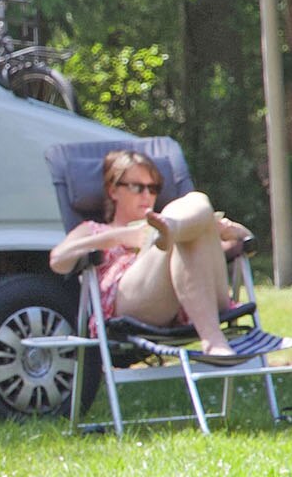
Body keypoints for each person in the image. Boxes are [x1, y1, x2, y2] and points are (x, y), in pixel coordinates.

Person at [48, 147, 252, 357]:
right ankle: (213, 340)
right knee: (182, 224)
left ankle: (174, 230)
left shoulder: (170, 217)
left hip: (200, 295)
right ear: (113, 190)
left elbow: (246, 244)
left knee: (196, 199)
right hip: (137, 305)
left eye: (153, 188)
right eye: (137, 187)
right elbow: (57, 260)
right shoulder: (94, 230)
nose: (147, 195)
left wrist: (231, 231)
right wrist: (118, 237)